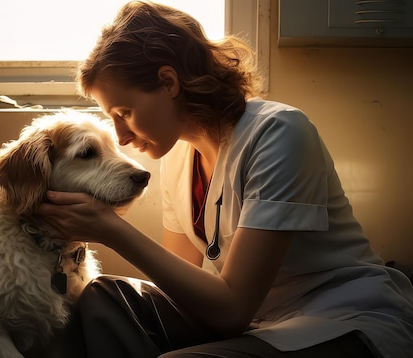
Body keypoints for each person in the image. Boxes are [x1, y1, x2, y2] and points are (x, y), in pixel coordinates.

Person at [36, 1, 413, 357]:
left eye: (125, 112)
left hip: (339, 320)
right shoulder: (179, 156)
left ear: (168, 82)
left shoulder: (279, 133)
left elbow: (232, 308)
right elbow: (179, 282)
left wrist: (112, 231)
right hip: (257, 324)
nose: (121, 137)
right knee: (103, 296)